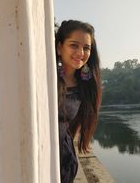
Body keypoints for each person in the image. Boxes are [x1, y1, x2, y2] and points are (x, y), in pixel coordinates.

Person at [55, 20, 102, 183]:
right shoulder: (47, 77)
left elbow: (71, 127)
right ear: (60, 48)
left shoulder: (85, 86)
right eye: (74, 45)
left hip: (64, 162)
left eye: (86, 48)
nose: (81, 52)